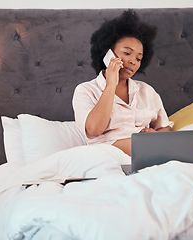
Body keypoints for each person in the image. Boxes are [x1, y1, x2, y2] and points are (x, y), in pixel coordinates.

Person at [72, 10, 173, 156]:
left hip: (148, 155)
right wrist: (110, 85)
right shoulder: (86, 90)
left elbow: (165, 127)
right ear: (108, 53)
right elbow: (94, 130)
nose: (133, 61)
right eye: (127, 53)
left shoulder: (146, 91)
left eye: (138, 58)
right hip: (108, 158)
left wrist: (154, 134)